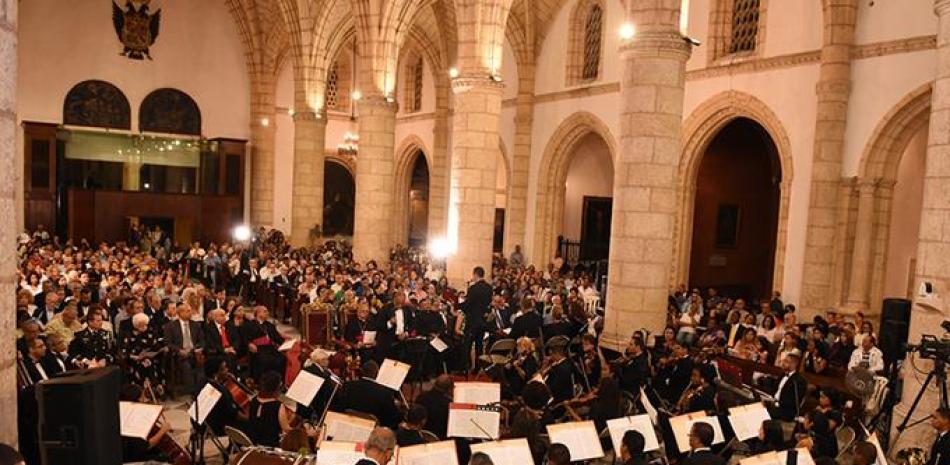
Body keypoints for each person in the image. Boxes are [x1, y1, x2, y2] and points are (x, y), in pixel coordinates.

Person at [333, 360, 402, 429]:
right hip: (373, 430)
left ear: (362, 372)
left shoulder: (348, 386)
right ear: (377, 374)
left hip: (348, 426)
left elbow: (339, 406)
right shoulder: (384, 392)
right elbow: (392, 418)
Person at [246, 371, 293, 447]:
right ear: (276, 388)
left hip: (254, 445)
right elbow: (286, 429)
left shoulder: (254, 400)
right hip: (271, 447)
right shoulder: (278, 406)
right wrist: (303, 432)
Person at [463, 266, 493, 371]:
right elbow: (489, 305)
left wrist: (458, 306)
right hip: (482, 322)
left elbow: (468, 304)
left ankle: (466, 368)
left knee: (467, 344)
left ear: (475, 275)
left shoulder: (473, 288)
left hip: (472, 321)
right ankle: (478, 368)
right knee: (479, 345)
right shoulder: (489, 288)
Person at [773, 352, 806, 421]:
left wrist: (776, 402)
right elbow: (774, 390)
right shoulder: (782, 375)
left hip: (785, 411)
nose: (783, 363)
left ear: (794, 364)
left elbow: (794, 402)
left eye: (786, 361)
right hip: (774, 405)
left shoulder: (799, 381)